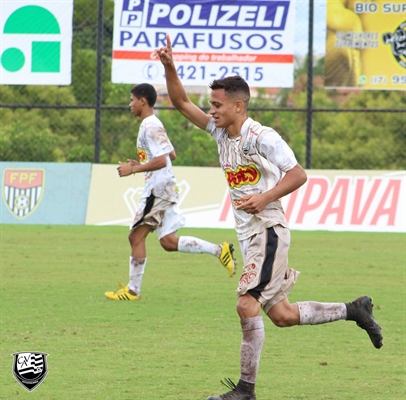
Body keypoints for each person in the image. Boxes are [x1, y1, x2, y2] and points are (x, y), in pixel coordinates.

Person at [155, 35, 383, 400]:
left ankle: (246, 390)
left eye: (217, 105)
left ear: (239, 106)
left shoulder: (263, 137)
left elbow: (298, 174)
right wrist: (169, 65)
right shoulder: (219, 132)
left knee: (246, 304)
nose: (211, 110)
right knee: (282, 315)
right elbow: (181, 102)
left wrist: (264, 197)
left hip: (268, 229)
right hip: (248, 235)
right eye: (211, 104)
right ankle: (354, 310)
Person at [105, 83, 236, 301]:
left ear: (142, 101)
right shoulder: (151, 124)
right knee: (167, 242)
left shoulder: (150, 125)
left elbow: (163, 159)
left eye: (132, 100)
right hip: (163, 187)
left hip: (158, 189)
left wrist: (135, 168)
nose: (130, 105)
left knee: (136, 236)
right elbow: (171, 154)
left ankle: (133, 290)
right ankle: (218, 250)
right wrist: (143, 161)